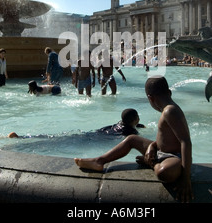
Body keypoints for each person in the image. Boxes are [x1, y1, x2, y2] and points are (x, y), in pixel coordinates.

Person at [74, 75, 192, 203]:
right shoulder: (167, 109)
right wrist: (153, 146)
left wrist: (186, 178)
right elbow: (167, 138)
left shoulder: (170, 111)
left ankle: (152, 164)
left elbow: (185, 142)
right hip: (160, 151)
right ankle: (99, 161)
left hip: (173, 158)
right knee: (131, 139)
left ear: (150, 98)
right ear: (169, 92)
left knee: (164, 173)